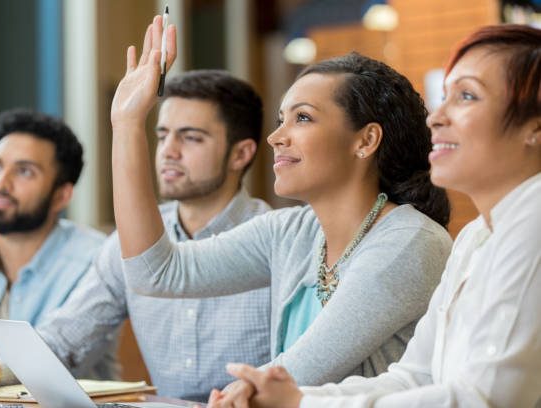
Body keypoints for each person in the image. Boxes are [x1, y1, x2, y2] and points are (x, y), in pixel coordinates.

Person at [112, 14, 452, 401]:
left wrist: (244, 391)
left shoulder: (411, 241)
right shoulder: (290, 232)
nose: (275, 137)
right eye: (280, 120)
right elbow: (154, 273)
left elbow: (297, 375)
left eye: (302, 118)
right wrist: (126, 122)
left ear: (366, 140)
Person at [209, 24, 541, 408]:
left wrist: (301, 403)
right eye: (444, 96)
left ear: (535, 128)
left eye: (467, 96)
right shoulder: (475, 237)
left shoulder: (531, 228)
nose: (437, 117)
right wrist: (294, 397)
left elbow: (484, 400)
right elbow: (413, 376)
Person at [0, 70, 272, 402]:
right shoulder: (128, 243)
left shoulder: (277, 242)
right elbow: (62, 341)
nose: (168, 151)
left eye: (191, 137)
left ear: (241, 154)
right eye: (161, 136)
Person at [0, 109, 108, 378]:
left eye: (24, 171)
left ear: (61, 195)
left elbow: (58, 354)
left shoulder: (96, 259)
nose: (0, 183)